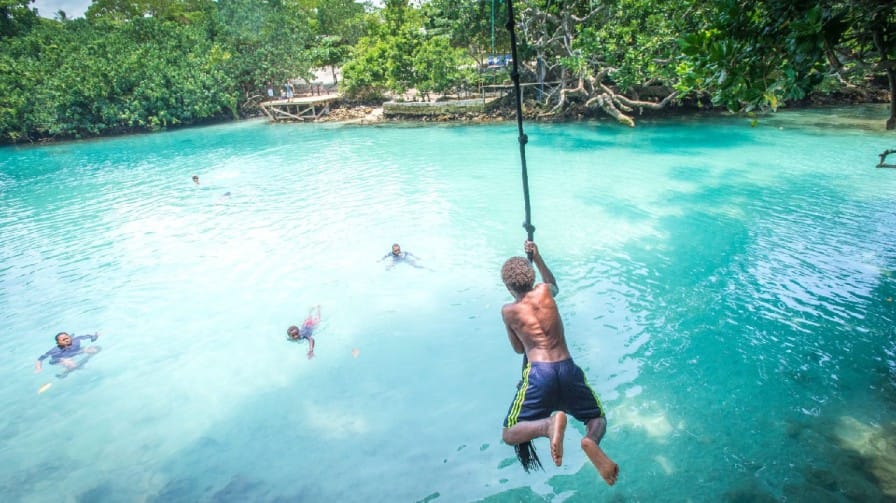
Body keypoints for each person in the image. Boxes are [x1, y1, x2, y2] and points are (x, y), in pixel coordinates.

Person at [500, 241, 619, 485]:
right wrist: (537, 256)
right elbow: (553, 283)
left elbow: (518, 349)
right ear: (532, 277)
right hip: (567, 368)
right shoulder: (545, 291)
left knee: (510, 433)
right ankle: (590, 440)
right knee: (597, 419)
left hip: (539, 373)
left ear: (508, 286)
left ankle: (547, 425)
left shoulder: (508, 311)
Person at [35, 331, 100, 373]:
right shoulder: (55, 350)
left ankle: (83, 361)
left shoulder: (76, 340)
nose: (66, 340)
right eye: (63, 340)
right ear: (58, 343)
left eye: (67, 338)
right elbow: (40, 359)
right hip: (59, 358)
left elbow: (91, 337)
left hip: (74, 352)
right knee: (71, 364)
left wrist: (96, 336)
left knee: (95, 350)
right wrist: (38, 368)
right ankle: (66, 372)